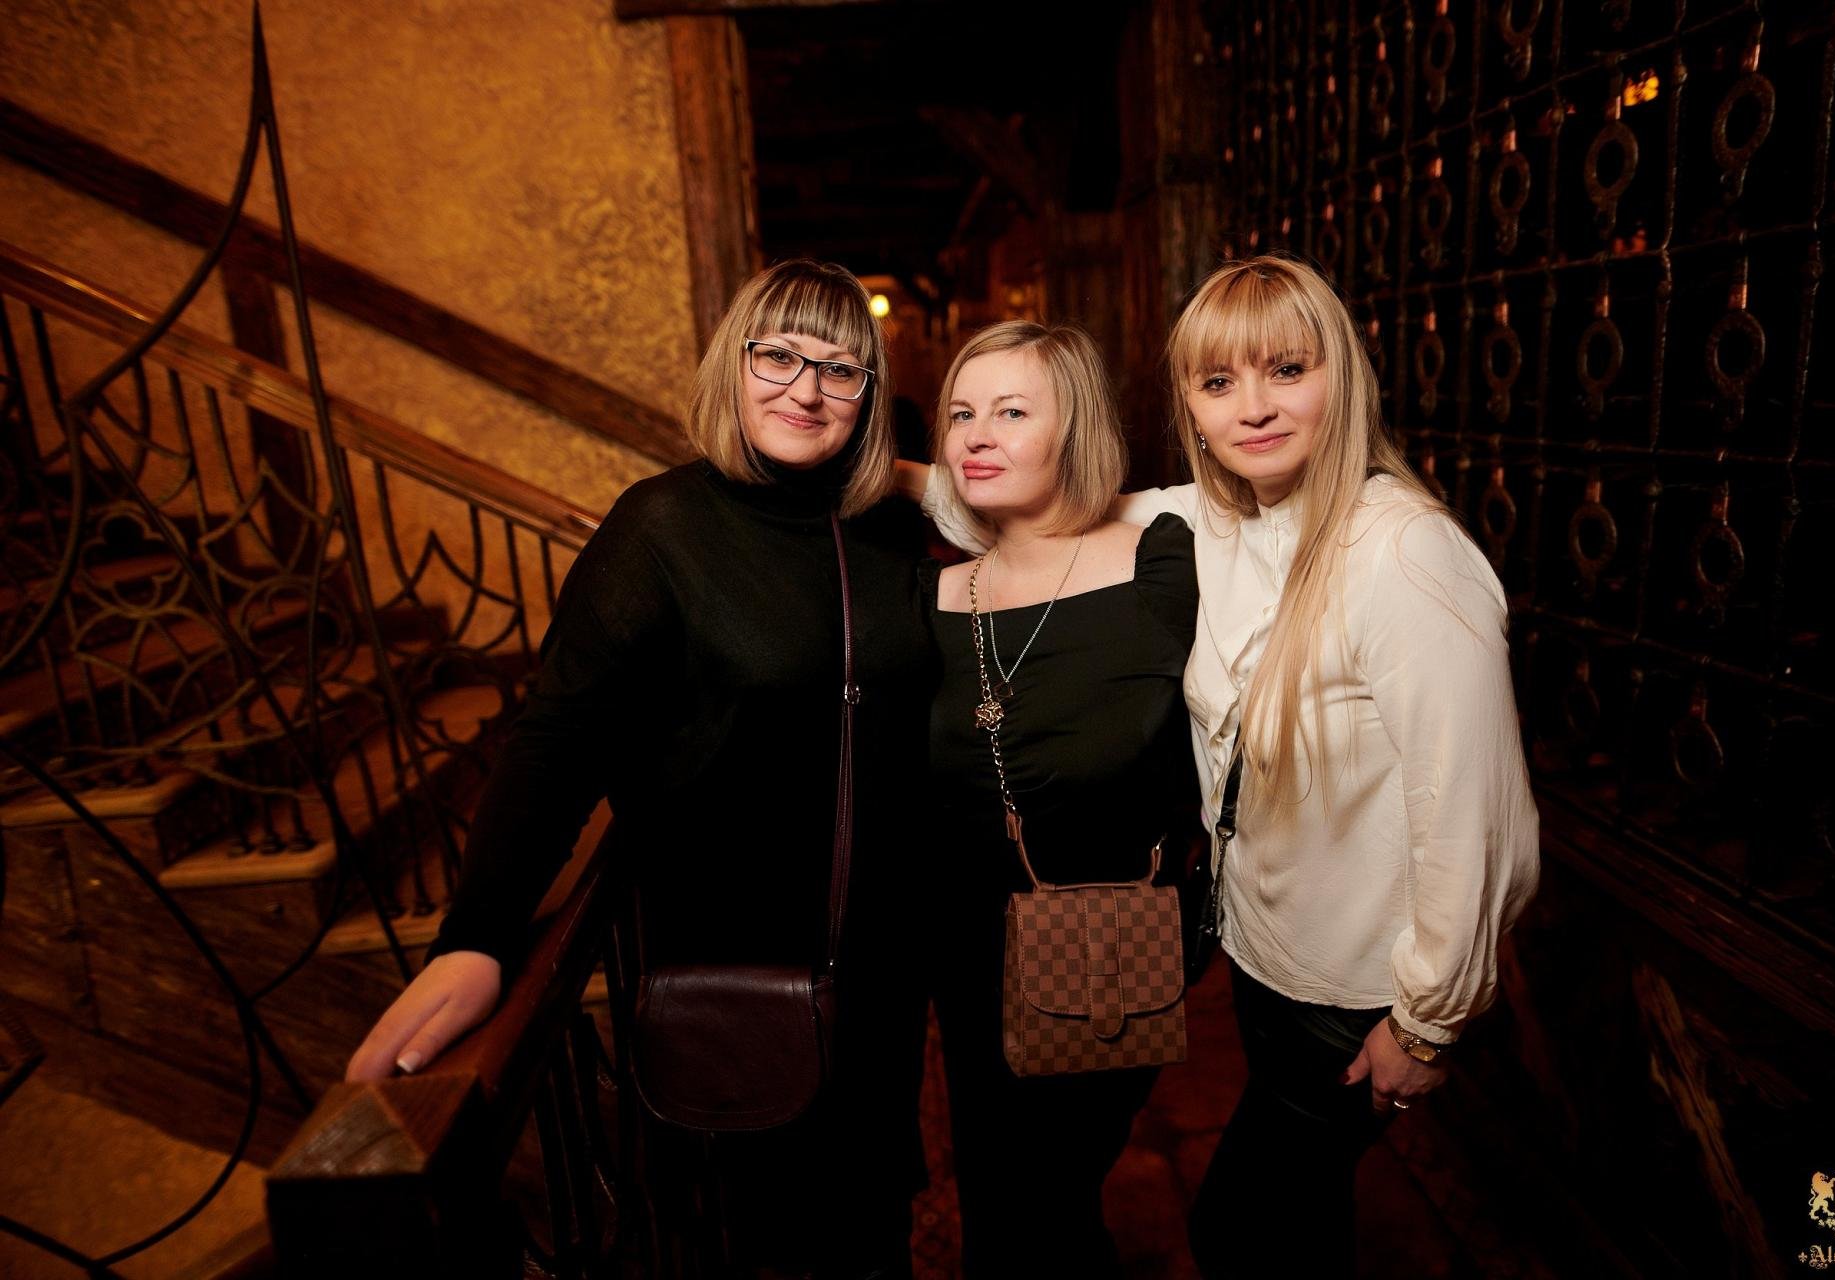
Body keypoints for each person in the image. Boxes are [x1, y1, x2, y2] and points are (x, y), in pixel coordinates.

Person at [919, 256, 1539, 1278]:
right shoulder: (1213, 524)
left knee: (1243, 1230)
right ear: (1192, 408)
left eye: (1286, 369)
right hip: (1263, 959)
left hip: (1357, 986)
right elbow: (1045, 497)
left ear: (1342, 376)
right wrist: (860, 467)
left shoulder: (1404, 551)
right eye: (1218, 382)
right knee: (1295, 1227)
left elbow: (1475, 815)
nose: (1251, 406)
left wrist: (1428, 1023)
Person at [346, 259, 935, 1278]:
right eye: (779, 356)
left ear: (869, 394)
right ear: (733, 365)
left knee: (875, 1231)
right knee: (762, 1246)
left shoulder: (887, 525)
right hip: (735, 975)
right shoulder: (663, 528)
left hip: (878, 966)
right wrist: (478, 936)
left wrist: (922, 476)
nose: (806, 389)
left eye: (840, 369)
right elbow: (555, 740)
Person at [922, 321, 1198, 1278]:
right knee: (1000, 1204)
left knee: (1053, 1191)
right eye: (961, 413)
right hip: (967, 947)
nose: (976, 435)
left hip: (1112, 932)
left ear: (1074, 428)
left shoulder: (1158, 559)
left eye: (1010, 412)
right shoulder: (933, 595)